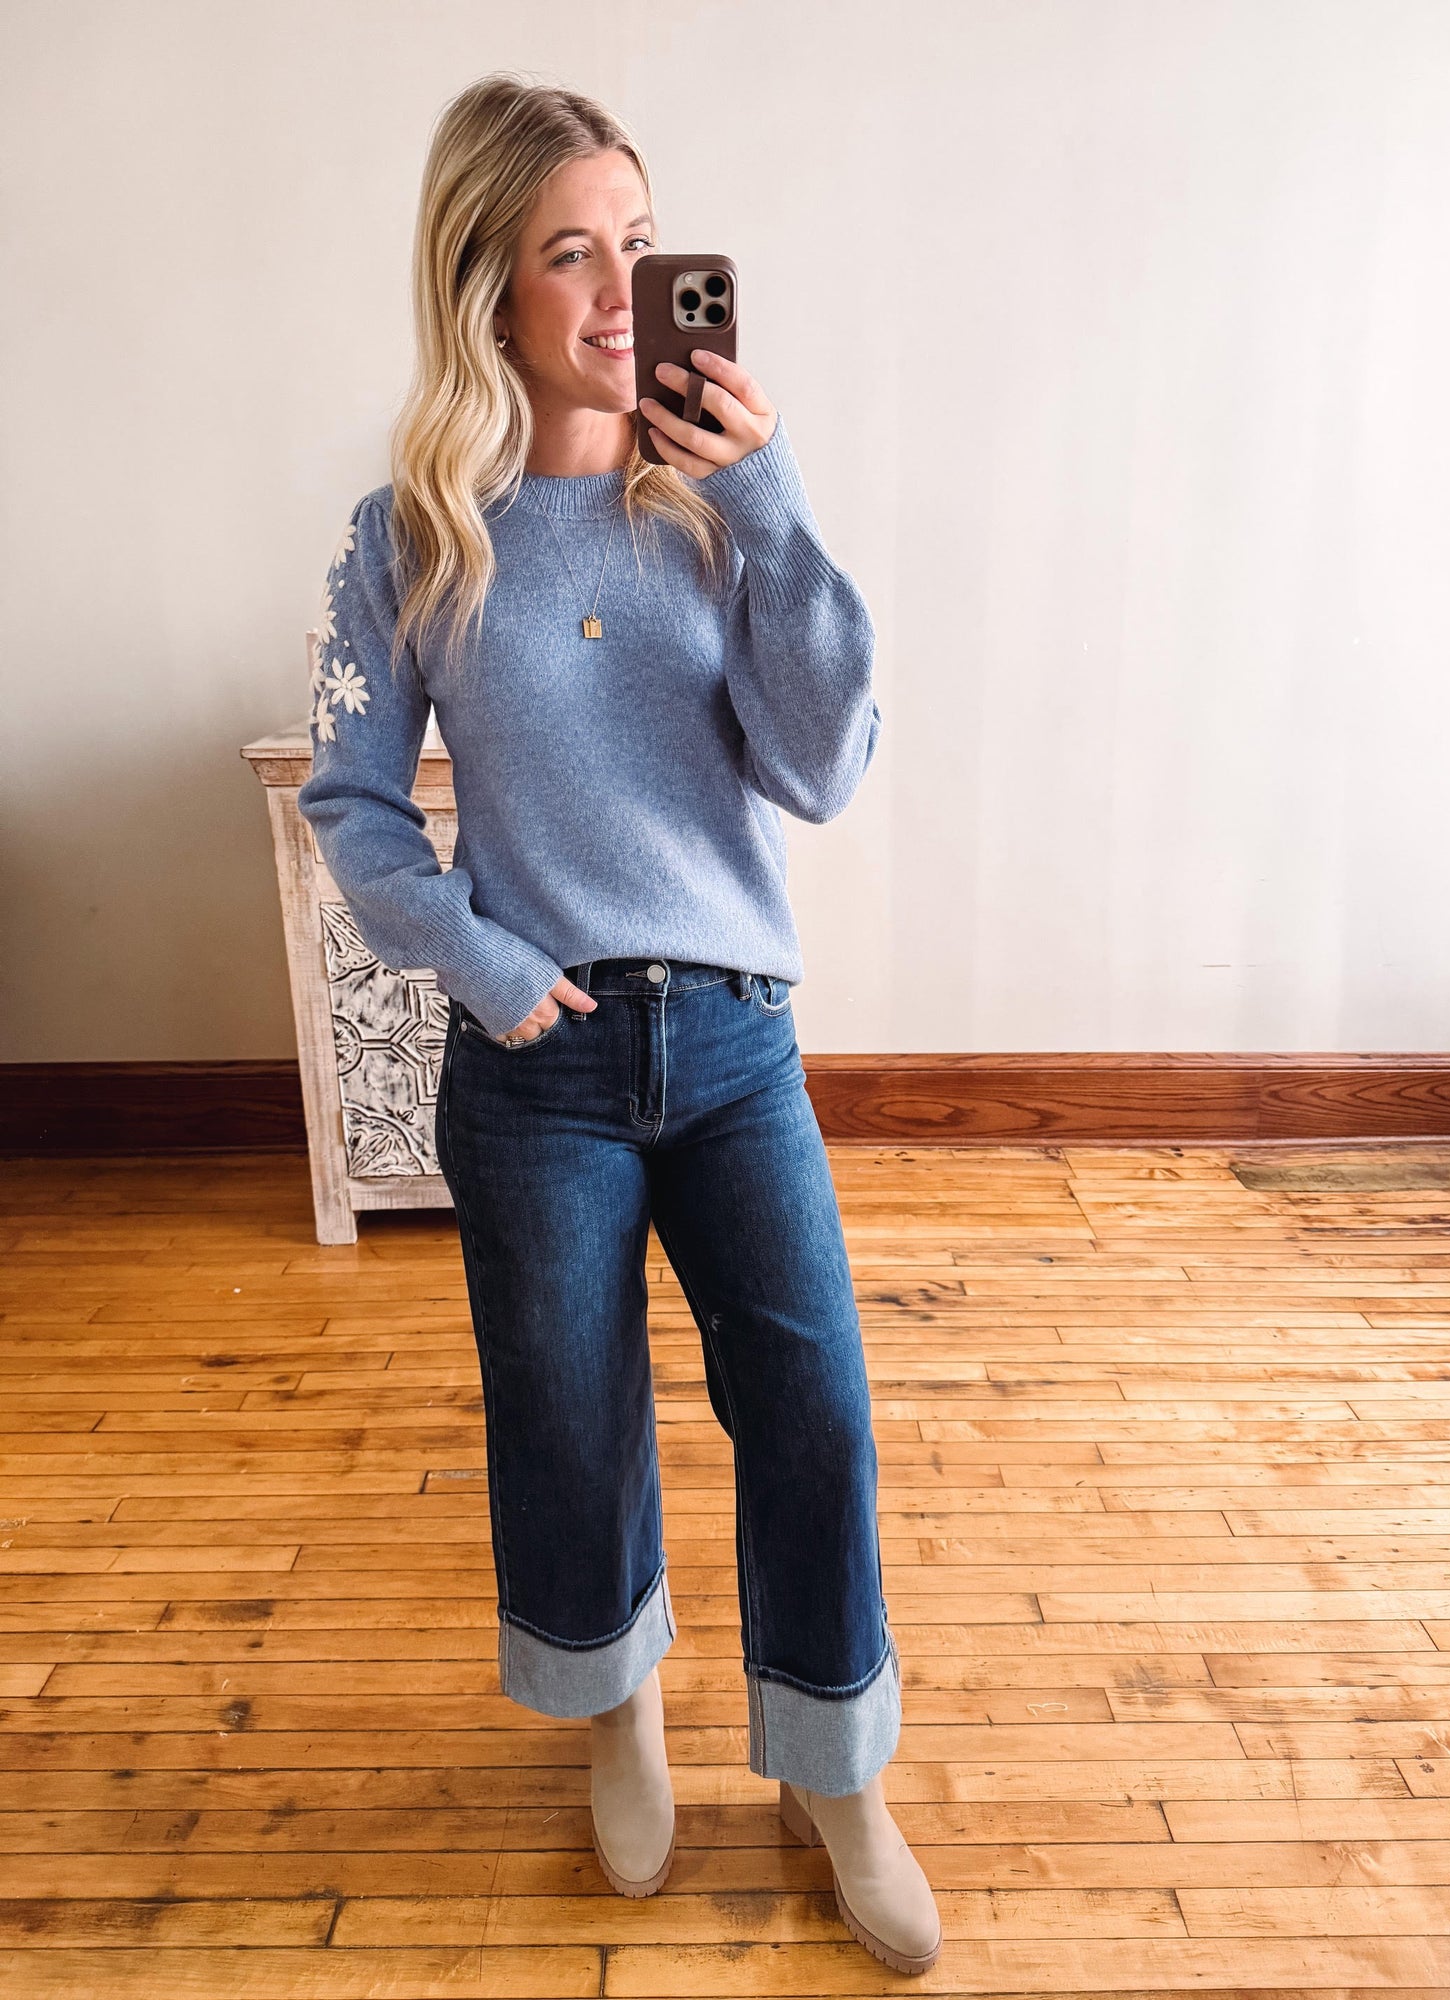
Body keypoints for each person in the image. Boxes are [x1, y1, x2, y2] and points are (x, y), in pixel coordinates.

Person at [297, 72, 941, 1976]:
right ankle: (624, 1714)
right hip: (537, 1064)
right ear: (487, 285)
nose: (618, 289)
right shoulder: (411, 534)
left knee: (812, 1411)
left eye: (641, 246)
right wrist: (487, 965)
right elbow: (346, 802)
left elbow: (824, 764)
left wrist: (773, 498)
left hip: (736, 1038)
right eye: (570, 251)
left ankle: (838, 1776)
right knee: (571, 1428)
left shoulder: (718, 511)